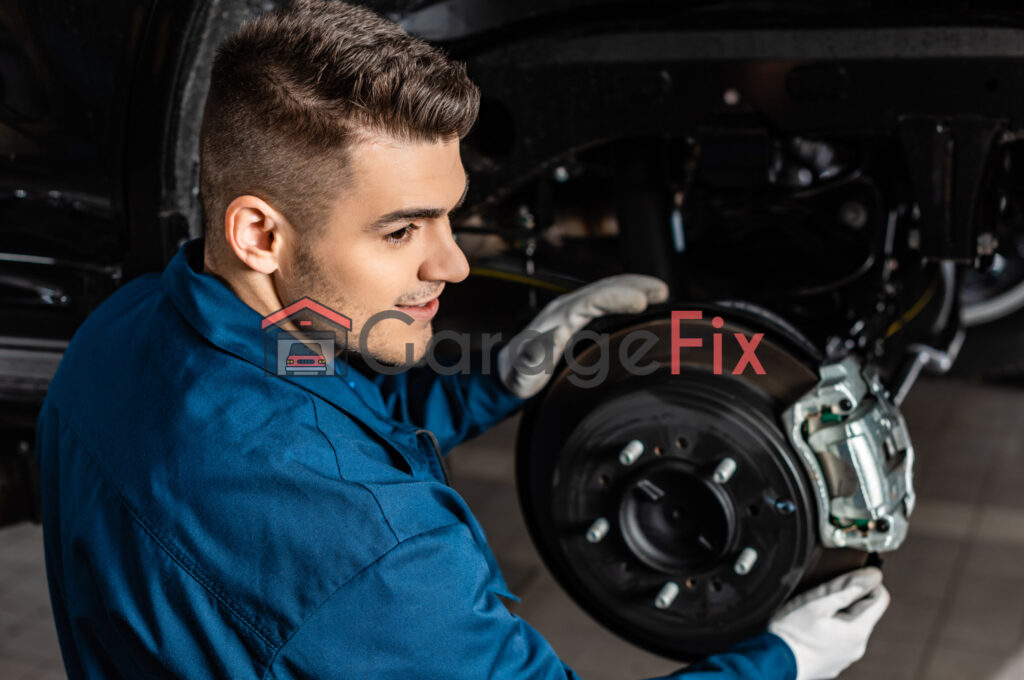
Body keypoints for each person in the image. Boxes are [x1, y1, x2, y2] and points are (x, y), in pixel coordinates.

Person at [34, 1, 889, 678]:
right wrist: (783, 663)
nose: (453, 264)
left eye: (451, 217)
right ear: (261, 234)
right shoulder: (382, 550)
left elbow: (304, 407)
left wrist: (499, 380)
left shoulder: (127, 330)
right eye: (403, 231)